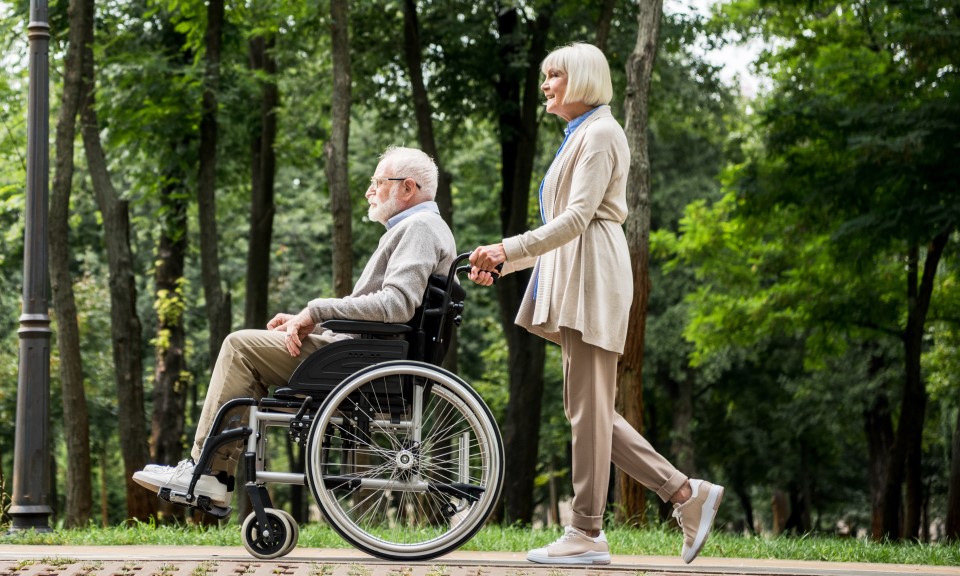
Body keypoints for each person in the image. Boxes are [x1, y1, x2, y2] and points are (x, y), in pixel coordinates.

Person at [468, 42, 724, 566]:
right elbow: (566, 226)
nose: (545, 86)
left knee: (587, 410)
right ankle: (684, 494)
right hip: (577, 274)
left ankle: (587, 532)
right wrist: (503, 263)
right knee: (587, 410)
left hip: (593, 277)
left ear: (583, 79)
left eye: (554, 76)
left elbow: (577, 219)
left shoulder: (602, 134)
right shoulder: (583, 134)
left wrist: (506, 249)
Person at [133, 146, 457, 506]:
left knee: (240, 347)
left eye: (377, 182)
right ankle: (213, 472)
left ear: (407, 188)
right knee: (255, 348)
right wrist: (313, 326)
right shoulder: (422, 228)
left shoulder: (419, 228)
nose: (369, 191)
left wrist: (315, 312)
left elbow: (395, 306)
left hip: (364, 362)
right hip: (364, 354)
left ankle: (207, 472)